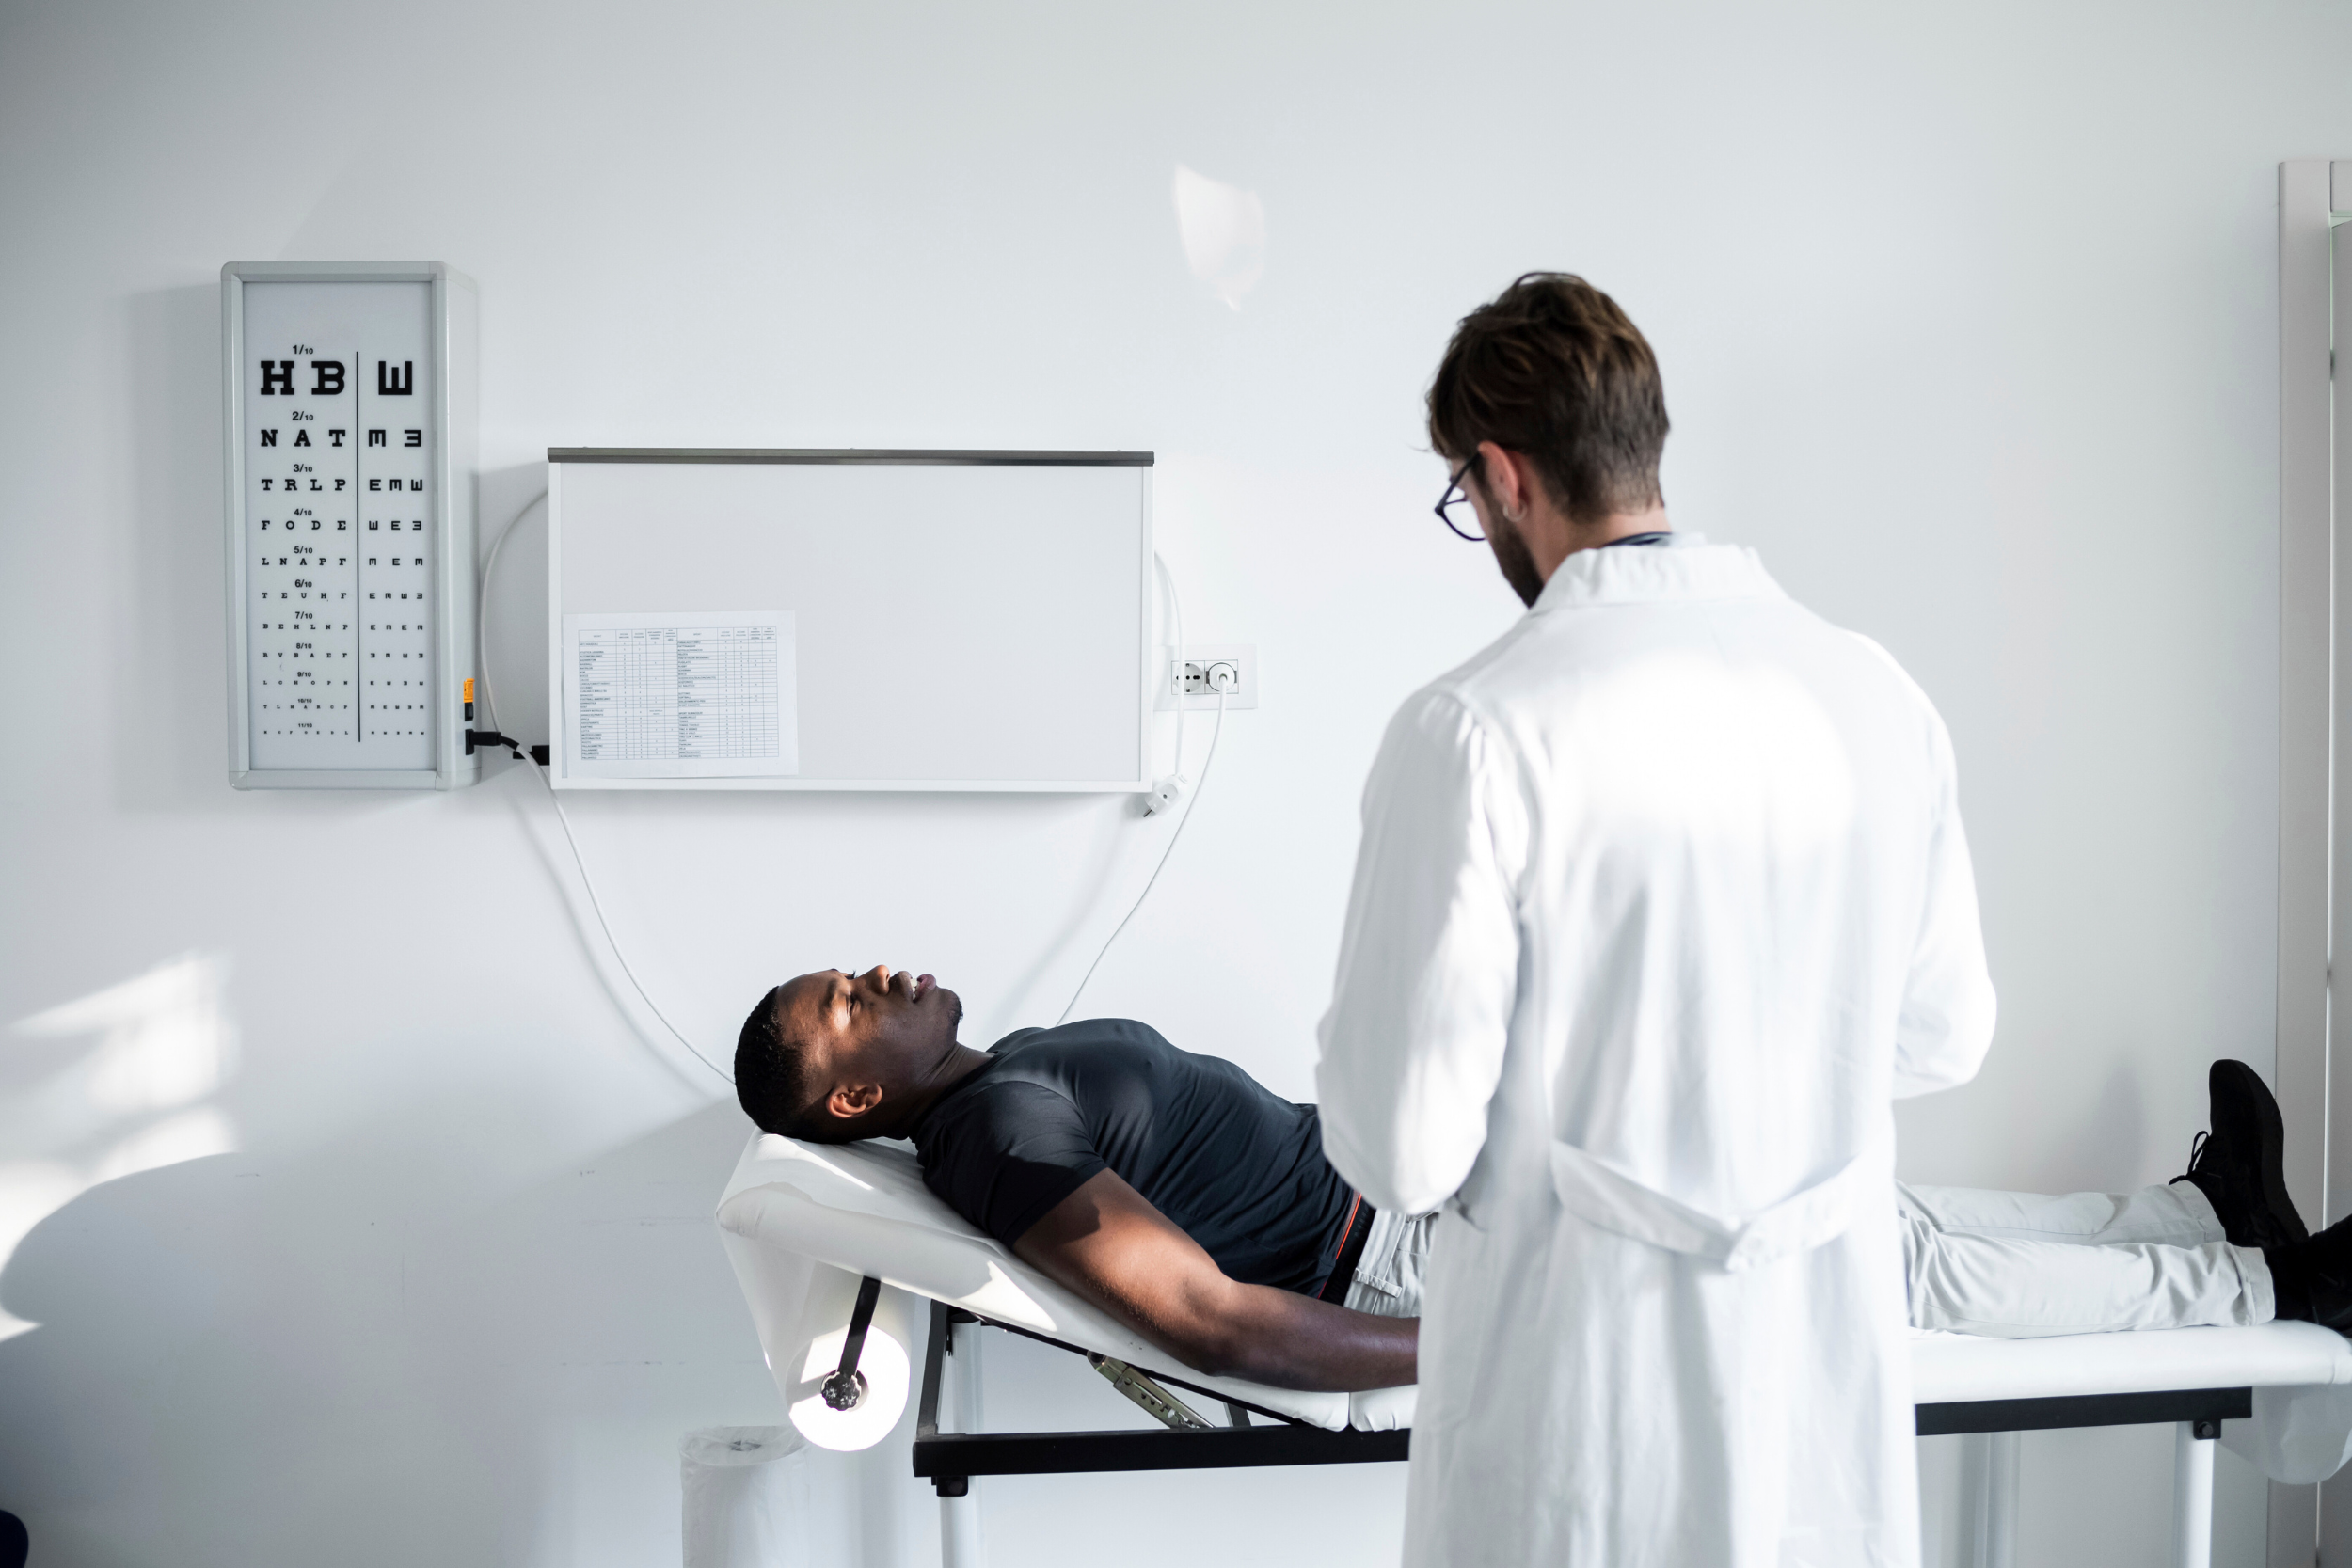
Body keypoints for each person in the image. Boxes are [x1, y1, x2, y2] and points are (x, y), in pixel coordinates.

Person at [733, 966, 2352, 1383]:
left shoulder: (998, 1086)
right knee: (1865, 1267)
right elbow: (1219, 1322)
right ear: (858, 1087)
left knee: (1853, 1209)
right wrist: (1505, 1341)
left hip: (1426, 1196)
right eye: (845, 1003)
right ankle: (2270, 1283)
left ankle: (2198, 1219)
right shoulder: (999, 1136)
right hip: (1427, 1259)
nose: (871, 972)